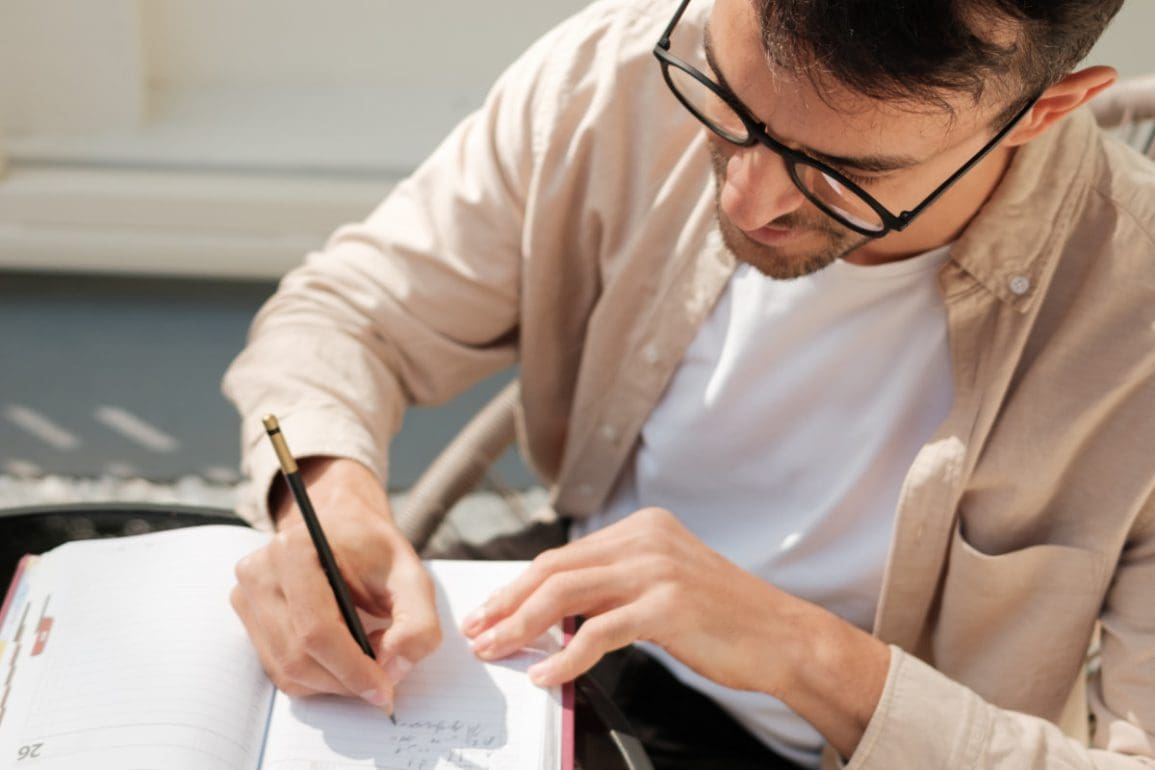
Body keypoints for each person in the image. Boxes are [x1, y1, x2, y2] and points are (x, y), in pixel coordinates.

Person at [222, 0, 1155, 767]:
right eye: (727, 102)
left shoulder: (1132, 322)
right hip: (560, 631)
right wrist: (330, 499)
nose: (746, 201)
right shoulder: (614, 71)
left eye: (842, 173)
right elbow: (349, 311)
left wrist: (803, 654)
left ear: (1043, 112)